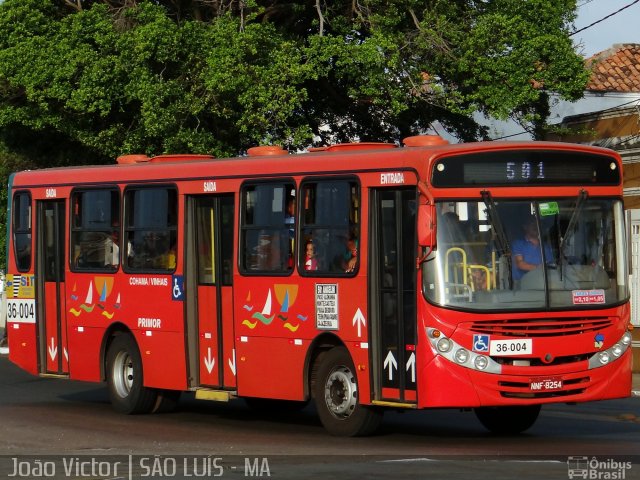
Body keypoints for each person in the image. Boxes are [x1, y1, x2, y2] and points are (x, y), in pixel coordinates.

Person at [512, 216, 552, 281]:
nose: (535, 226)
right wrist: (537, 268)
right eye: (532, 223)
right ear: (525, 227)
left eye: (537, 224)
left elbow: (550, 266)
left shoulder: (546, 247)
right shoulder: (518, 244)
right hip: (521, 286)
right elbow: (519, 263)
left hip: (544, 284)